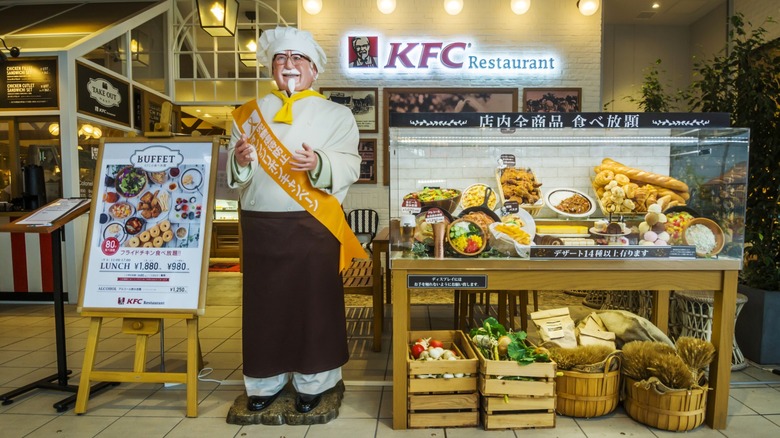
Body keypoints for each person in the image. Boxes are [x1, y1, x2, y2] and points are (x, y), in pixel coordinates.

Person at [227, 26, 365, 415]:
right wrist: (237, 163)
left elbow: (352, 164)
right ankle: (264, 382)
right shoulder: (246, 114)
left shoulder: (337, 115)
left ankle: (316, 381)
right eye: (281, 59)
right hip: (261, 225)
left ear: (314, 69)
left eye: (298, 59)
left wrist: (319, 163)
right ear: (272, 67)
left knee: (314, 305)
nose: (289, 65)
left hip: (313, 226)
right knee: (263, 306)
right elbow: (236, 175)